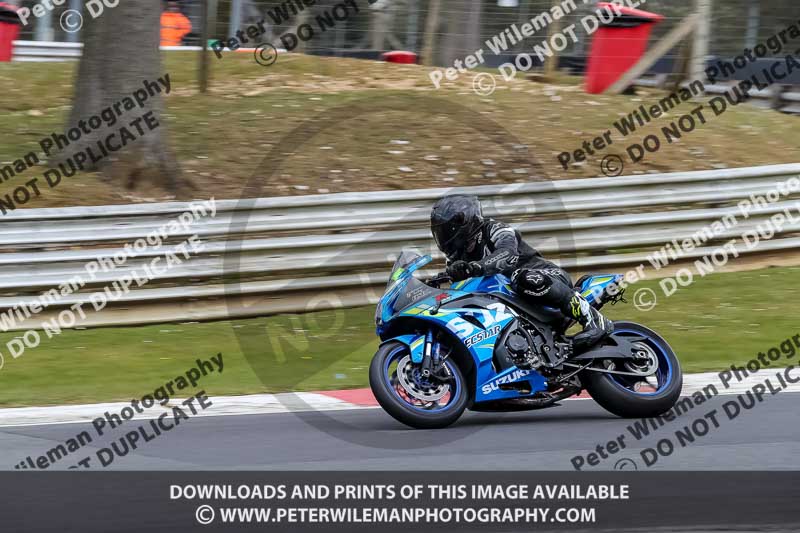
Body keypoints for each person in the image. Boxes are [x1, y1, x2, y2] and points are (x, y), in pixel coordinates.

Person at [430, 194, 613, 353]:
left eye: (446, 229)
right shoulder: (458, 256)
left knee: (522, 278)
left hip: (546, 275)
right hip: (515, 299)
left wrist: (477, 267)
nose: (443, 235)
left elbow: (507, 253)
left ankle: (593, 318)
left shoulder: (495, 229)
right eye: (439, 231)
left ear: (464, 223)